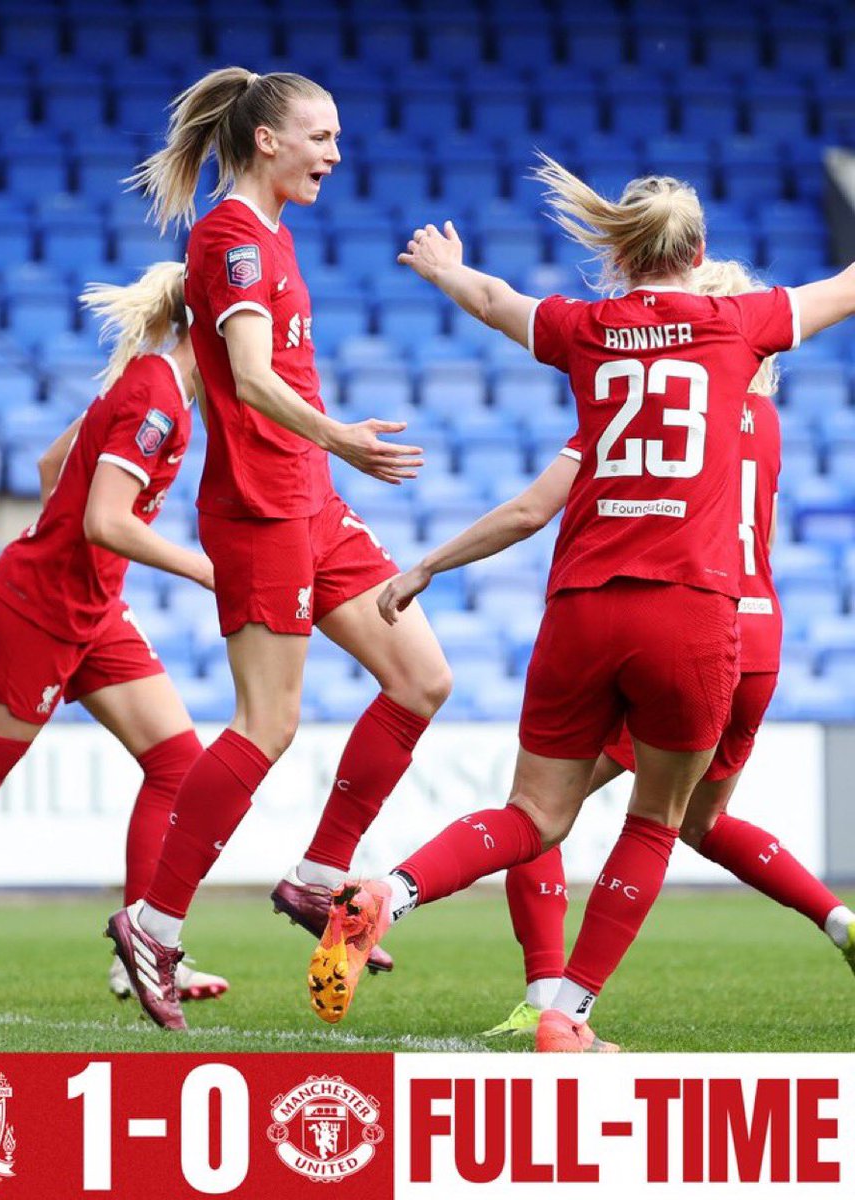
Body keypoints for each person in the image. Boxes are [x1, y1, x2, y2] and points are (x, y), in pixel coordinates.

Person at [307, 157, 855, 1050]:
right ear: (701, 251)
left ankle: (385, 893)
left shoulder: (587, 327)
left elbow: (496, 302)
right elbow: (843, 287)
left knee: (532, 815)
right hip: (693, 611)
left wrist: (446, 271)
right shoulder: (740, 326)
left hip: (582, 606)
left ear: (623, 253)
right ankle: (567, 1014)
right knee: (657, 818)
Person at [106, 68, 452, 1031]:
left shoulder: (271, 236)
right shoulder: (229, 238)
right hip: (262, 506)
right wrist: (340, 434)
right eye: (322, 136)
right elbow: (251, 378)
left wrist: (330, 458)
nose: (335, 155)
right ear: (267, 141)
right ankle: (154, 922)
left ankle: (315, 878)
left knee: (421, 679)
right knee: (268, 723)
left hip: (312, 501)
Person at [0, 262, 227, 1005]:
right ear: (210, 329)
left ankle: (140, 951)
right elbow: (103, 519)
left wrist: (71, 560)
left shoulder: (147, 382)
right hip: (41, 610)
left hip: (90, 608)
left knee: (179, 763)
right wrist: (206, 571)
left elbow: (55, 466)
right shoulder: (158, 401)